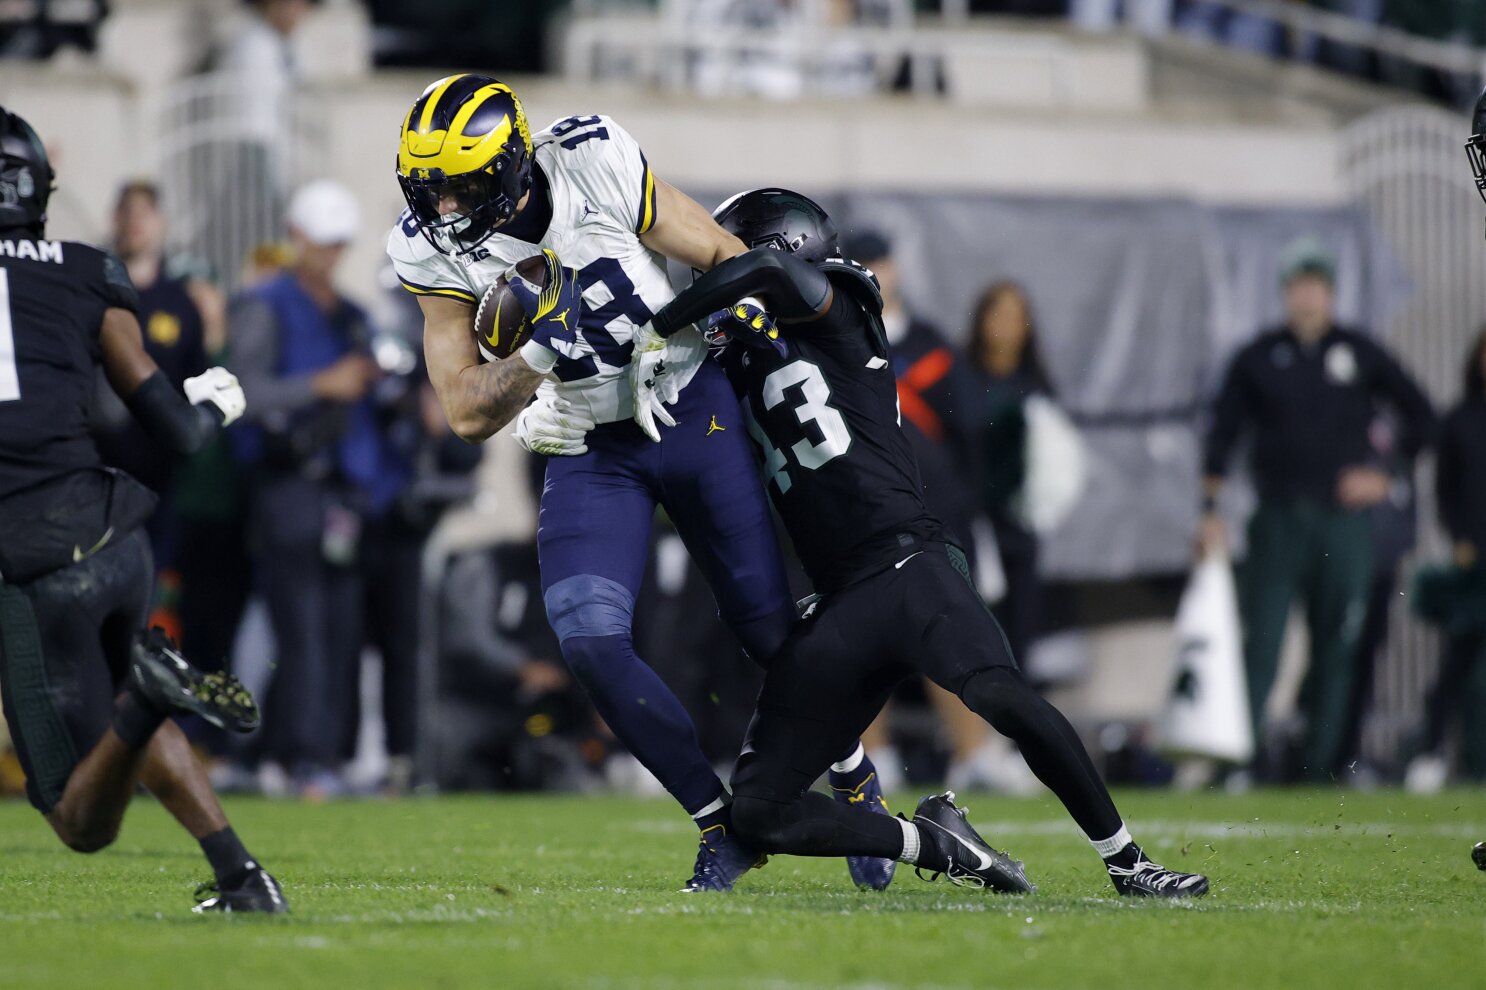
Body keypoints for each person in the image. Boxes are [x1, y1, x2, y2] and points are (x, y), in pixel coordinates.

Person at [631, 188, 1208, 898]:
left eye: (728, 253)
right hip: (839, 598)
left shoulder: (843, 304)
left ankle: (1128, 862)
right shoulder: (737, 349)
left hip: (907, 562)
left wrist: (662, 326)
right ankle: (932, 842)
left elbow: (772, 281)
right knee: (758, 814)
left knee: (1002, 698)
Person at [386, 75, 886, 891]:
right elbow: (465, 409)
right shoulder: (428, 247)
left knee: (765, 630)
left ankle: (853, 769)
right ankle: (720, 824)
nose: (444, 210)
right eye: (427, 188)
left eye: (462, 186)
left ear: (513, 165)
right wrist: (536, 366)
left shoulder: (593, 159)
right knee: (586, 639)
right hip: (589, 442)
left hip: (692, 408)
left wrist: (681, 331)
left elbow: (724, 259)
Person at [0, 107, 284, 913]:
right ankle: (241, 877)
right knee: (131, 705)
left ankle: (152, 696)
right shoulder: (88, 269)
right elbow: (180, 428)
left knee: (81, 822)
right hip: (115, 534)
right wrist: (219, 402)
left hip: (27, 559)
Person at [1199, 238, 1435, 781]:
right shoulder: (1259, 356)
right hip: (1279, 517)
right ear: (1286, 292)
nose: (1308, 298)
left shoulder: (1359, 351)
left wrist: (1386, 472)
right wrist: (1210, 508)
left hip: (1342, 521)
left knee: (1339, 644)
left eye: (1317, 287)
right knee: (1261, 642)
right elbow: (1222, 434)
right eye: (1299, 286)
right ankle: (1241, 762)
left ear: (1330, 293)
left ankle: (1323, 765)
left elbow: (1422, 416)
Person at [231, 178, 390, 798]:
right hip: (287, 485)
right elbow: (241, 393)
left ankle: (328, 753)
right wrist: (321, 385)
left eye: (338, 245)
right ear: (296, 238)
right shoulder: (263, 305)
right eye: (322, 243)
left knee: (342, 631)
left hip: (343, 496)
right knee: (298, 631)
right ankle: (298, 758)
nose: (330, 256)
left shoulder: (350, 315)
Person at [92, 181, 211, 573]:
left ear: (162, 222)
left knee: (153, 588)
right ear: (114, 219)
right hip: (96, 475)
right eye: (128, 211)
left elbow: (197, 382)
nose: (135, 222)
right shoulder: (91, 291)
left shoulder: (181, 304)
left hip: (160, 480)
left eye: (146, 212)